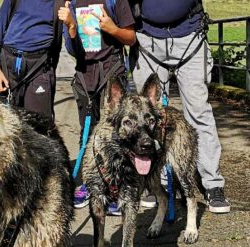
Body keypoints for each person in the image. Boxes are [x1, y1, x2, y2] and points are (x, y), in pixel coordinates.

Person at [131, 0, 230, 213]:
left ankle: (212, 184)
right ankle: (154, 183)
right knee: (149, 117)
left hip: (191, 35)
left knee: (199, 112)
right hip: (147, 38)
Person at [59, 0, 136, 213]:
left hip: (112, 71)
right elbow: (72, 50)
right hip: (85, 75)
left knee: (116, 133)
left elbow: (130, 37)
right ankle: (90, 184)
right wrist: (71, 27)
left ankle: (116, 187)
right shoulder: (71, 3)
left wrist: (113, 29)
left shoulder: (115, 1)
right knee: (88, 131)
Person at [0, 0, 63, 119]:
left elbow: (69, 44)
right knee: (4, 126)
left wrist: (72, 25)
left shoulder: (61, 3)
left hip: (40, 68)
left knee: (39, 128)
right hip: (8, 67)